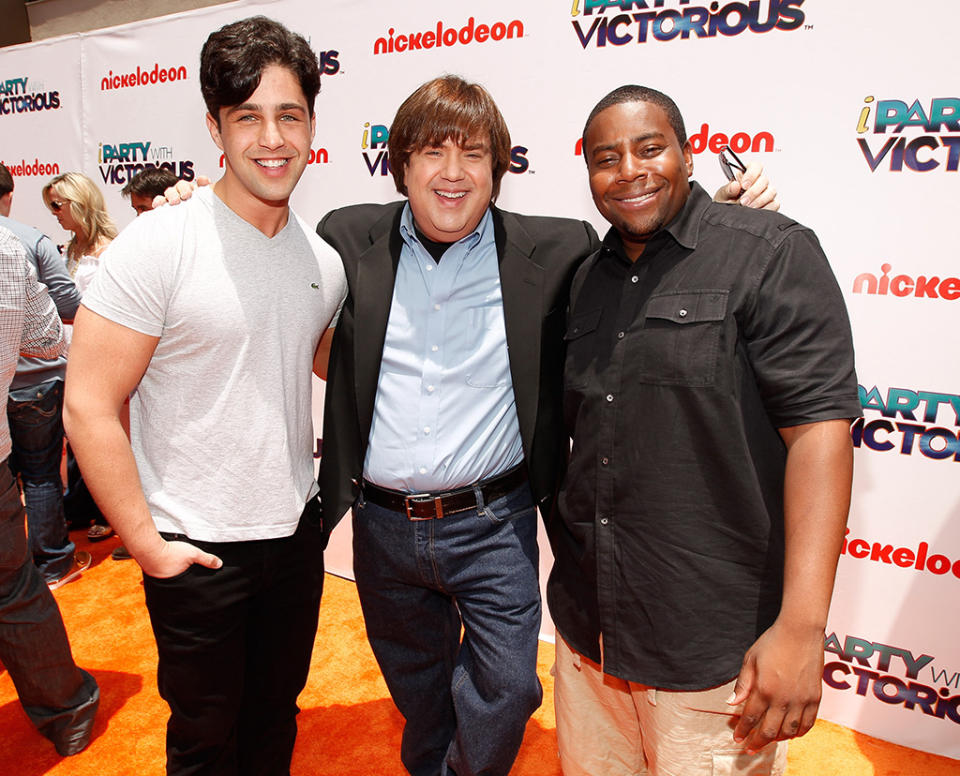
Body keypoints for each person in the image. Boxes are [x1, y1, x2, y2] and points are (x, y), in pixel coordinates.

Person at [316, 75, 778, 776]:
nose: (451, 173)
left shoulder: (558, 251)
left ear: (499, 171)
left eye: (472, 154)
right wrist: (188, 205)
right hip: (381, 528)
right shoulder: (346, 238)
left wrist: (724, 219)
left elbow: (649, 258)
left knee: (507, 687)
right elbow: (272, 269)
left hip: (493, 522)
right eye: (432, 152)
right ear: (400, 163)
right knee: (418, 689)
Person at [548, 85, 860, 776]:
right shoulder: (585, 280)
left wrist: (803, 629)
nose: (629, 169)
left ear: (688, 156)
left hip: (710, 648)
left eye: (650, 148)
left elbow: (819, 435)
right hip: (587, 635)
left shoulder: (769, 252)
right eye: (606, 158)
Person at [63, 16, 346, 775]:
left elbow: (324, 365)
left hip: (293, 539)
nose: (272, 138)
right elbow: (87, 404)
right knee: (205, 741)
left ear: (312, 124)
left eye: (289, 115)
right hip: (196, 550)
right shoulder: (159, 245)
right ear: (215, 127)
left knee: (274, 724)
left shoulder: (323, 257)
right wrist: (148, 545)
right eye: (247, 117)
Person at [0, 224, 99, 756]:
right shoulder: (11, 247)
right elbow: (45, 334)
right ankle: (66, 709)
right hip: (28, 394)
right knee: (12, 590)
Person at [0, 163, 87, 587]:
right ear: (10, 194)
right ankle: (53, 564)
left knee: (8, 476)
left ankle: (13, 569)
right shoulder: (27, 240)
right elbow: (64, 314)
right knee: (39, 475)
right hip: (35, 380)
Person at [42, 171, 117, 542]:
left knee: (99, 433)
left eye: (58, 205)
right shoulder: (70, 248)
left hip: (100, 354)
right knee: (75, 435)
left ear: (79, 203)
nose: (54, 213)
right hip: (67, 354)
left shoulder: (112, 247)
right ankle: (82, 506)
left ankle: (109, 510)